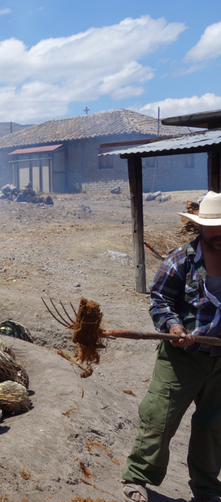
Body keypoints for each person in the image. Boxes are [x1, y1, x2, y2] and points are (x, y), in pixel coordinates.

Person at [121, 191, 221, 502]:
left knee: (213, 427)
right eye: (213, 227)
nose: (219, 234)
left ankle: (206, 490)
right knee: (159, 417)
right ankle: (138, 477)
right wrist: (174, 327)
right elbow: (161, 301)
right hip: (181, 356)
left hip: (220, 360)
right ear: (200, 227)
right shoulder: (182, 259)